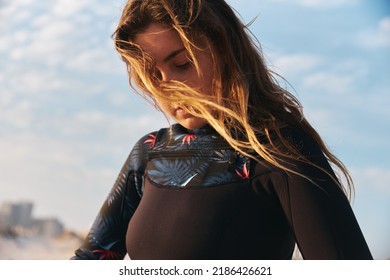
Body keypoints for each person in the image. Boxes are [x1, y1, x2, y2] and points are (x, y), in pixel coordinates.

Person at [71, 0, 372, 260]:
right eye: (152, 74)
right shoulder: (150, 152)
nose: (168, 87)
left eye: (183, 64)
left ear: (224, 50)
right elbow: (90, 259)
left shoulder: (281, 149)